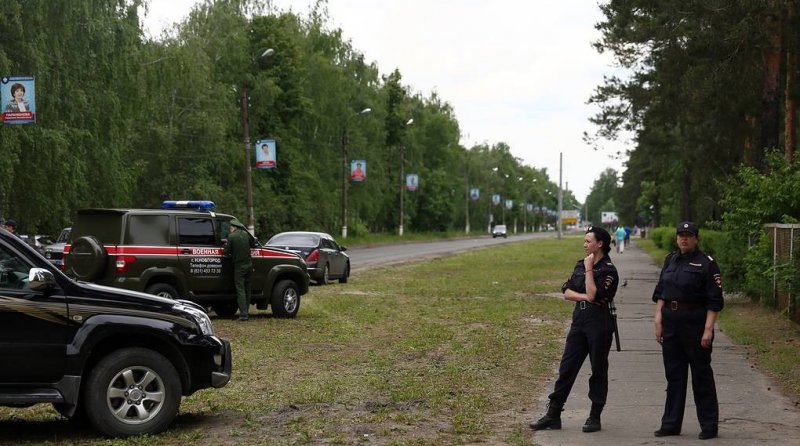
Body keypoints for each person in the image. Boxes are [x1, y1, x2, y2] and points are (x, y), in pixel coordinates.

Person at [529, 226, 619, 433]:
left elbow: (595, 294)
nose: (584, 244)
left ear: (600, 244)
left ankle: (594, 416)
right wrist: (585, 296)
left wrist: (589, 271)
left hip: (600, 322)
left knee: (598, 369)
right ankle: (553, 414)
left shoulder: (608, 270)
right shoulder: (580, 264)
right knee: (567, 367)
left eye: (588, 241)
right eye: (585, 241)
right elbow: (567, 292)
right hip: (580, 318)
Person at [652, 222, 723, 440]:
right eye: (681, 235)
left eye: (688, 235)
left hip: (695, 325)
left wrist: (708, 330)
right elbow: (662, 292)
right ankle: (671, 423)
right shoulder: (670, 260)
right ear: (676, 238)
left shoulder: (707, 264)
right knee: (674, 375)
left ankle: (709, 425)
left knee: (701, 376)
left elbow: (714, 301)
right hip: (671, 324)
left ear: (696, 239)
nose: (684, 239)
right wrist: (658, 318)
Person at [224, 223, 253, 321]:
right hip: (249, 265)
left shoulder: (231, 237)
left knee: (240, 289)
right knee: (247, 289)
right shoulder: (245, 234)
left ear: (233, 227)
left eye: (230, 227)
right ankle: (246, 311)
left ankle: (243, 314)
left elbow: (226, 251)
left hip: (239, 267)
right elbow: (253, 244)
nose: (230, 229)